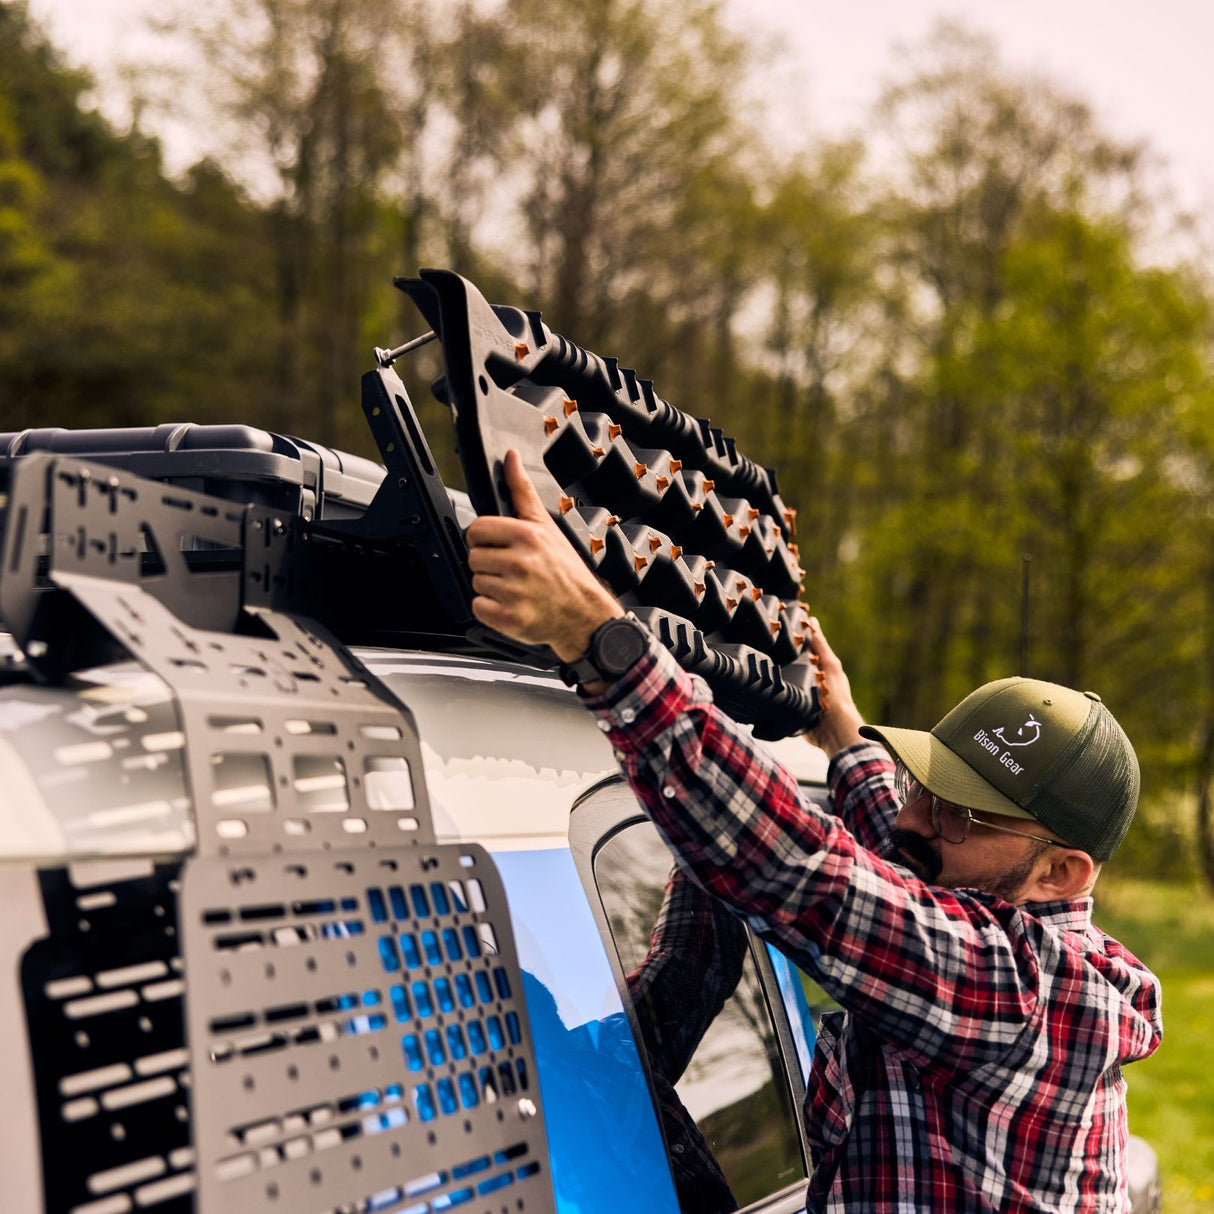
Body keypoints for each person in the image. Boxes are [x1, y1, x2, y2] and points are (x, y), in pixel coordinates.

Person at [465, 450, 1163, 1213]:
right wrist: (845, 739)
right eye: (924, 783)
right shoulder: (974, 897)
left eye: (959, 811)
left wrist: (601, 640)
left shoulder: (1028, 998)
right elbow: (897, 854)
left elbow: (809, 875)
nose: (910, 815)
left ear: (1062, 874)